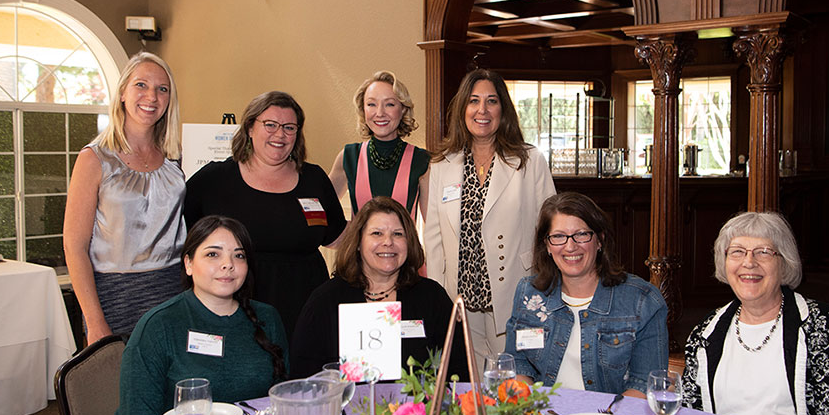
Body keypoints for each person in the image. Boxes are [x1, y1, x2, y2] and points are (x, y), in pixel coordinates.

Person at [681, 211, 829, 415]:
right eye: (737, 252)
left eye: (764, 252)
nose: (749, 263)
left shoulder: (821, 324)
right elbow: (691, 413)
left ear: (784, 263)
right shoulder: (706, 331)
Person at [185, 91, 346, 340]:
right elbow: (184, 238)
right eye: (270, 125)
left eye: (289, 127)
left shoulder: (313, 179)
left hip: (306, 307)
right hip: (237, 305)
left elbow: (336, 236)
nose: (279, 134)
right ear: (250, 127)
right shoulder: (214, 179)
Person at [424, 68, 556, 369]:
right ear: (462, 109)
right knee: (468, 383)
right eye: (473, 101)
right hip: (460, 300)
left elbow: (550, 228)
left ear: (503, 109)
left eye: (491, 101)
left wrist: (547, 285)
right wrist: (435, 299)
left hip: (515, 293)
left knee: (514, 382)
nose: (482, 110)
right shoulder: (443, 165)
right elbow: (433, 238)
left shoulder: (530, 161)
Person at [109, 215, 287, 415]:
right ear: (188, 264)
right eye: (213, 254)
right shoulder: (158, 326)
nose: (228, 265)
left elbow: (283, 403)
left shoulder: (267, 318)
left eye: (238, 256)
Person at [64, 52, 186, 343]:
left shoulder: (175, 159)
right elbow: (74, 247)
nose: (152, 96)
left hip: (173, 290)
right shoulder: (94, 159)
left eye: (162, 89)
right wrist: (94, 321)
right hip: (114, 295)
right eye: (141, 85)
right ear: (122, 93)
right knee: (118, 386)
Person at [505, 192, 668, 395]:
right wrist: (529, 409)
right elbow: (518, 364)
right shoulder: (528, 294)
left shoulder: (642, 301)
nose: (571, 246)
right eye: (558, 236)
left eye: (581, 234)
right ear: (546, 245)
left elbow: (644, 384)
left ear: (599, 240)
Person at [291, 196, 467, 381]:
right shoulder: (325, 301)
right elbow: (304, 378)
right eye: (377, 233)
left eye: (398, 234)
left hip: (421, 408)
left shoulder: (432, 298)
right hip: (344, 408)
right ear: (358, 242)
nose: (388, 242)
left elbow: (459, 371)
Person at [328, 71, 429, 219]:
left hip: (405, 243)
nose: (380, 113)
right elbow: (322, 208)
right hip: (358, 243)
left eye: (389, 104)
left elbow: (433, 225)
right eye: (371, 104)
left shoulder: (421, 160)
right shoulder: (348, 156)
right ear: (363, 110)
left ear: (403, 110)